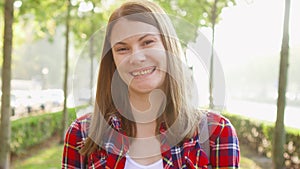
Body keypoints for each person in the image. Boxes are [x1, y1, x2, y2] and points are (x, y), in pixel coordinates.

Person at [62, 0, 240, 168]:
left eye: (147, 42)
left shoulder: (216, 133)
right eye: (122, 49)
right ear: (113, 60)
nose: (137, 57)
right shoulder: (82, 133)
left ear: (168, 47)